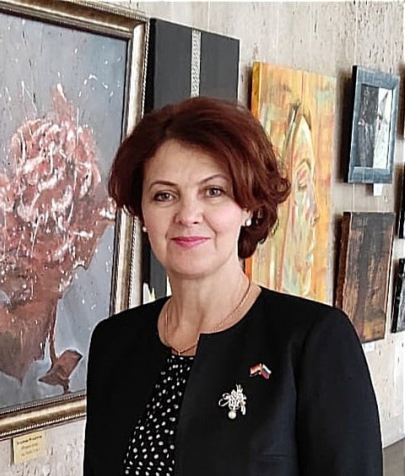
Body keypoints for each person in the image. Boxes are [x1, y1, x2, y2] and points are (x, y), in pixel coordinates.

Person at [83, 96, 382, 476]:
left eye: (213, 191)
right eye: (164, 195)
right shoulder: (114, 342)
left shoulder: (313, 341)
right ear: (142, 214)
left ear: (249, 207)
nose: (187, 215)